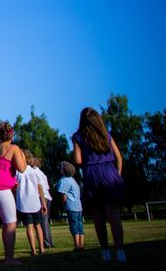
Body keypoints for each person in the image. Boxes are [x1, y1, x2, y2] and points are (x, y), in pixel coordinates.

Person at [72, 107, 125, 262]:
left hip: (92, 174)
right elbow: (119, 157)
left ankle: (105, 251)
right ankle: (120, 251)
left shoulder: (78, 136)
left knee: (98, 216)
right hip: (110, 172)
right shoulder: (106, 134)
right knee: (114, 215)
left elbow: (78, 161)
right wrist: (118, 176)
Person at [0, 121, 26, 266]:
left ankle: (8, 256)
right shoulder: (14, 148)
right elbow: (21, 168)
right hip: (1, 188)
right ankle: (9, 259)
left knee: (5, 222)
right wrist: (23, 156)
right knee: (11, 223)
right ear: (12, 134)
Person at [16, 150, 47, 255]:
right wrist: (43, 203)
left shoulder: (18, 172)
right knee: (38, 225)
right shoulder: (35, 172)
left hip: (24, 203)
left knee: (29, 226)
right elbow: (40, 188)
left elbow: (15, 186)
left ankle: (33, 250)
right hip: (35, 202)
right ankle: (42, 248)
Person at [57, 161, 84, 251]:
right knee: (80, 225)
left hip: (71, 205)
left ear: (64, 171)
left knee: (73, 225)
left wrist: (64, 204)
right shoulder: (73, 180)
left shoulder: (64, 180)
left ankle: (77, 245)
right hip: (79, 206)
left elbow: (63, 194)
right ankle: (81, 244)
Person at [32, 157, 54, 248]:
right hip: (47, 196)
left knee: (42, 221)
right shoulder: (42, 173)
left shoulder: (34, 172)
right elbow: (47, 187)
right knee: (46, 220)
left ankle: (46, 242)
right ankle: (49, 241)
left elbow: (38, 186)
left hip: (41, 196)